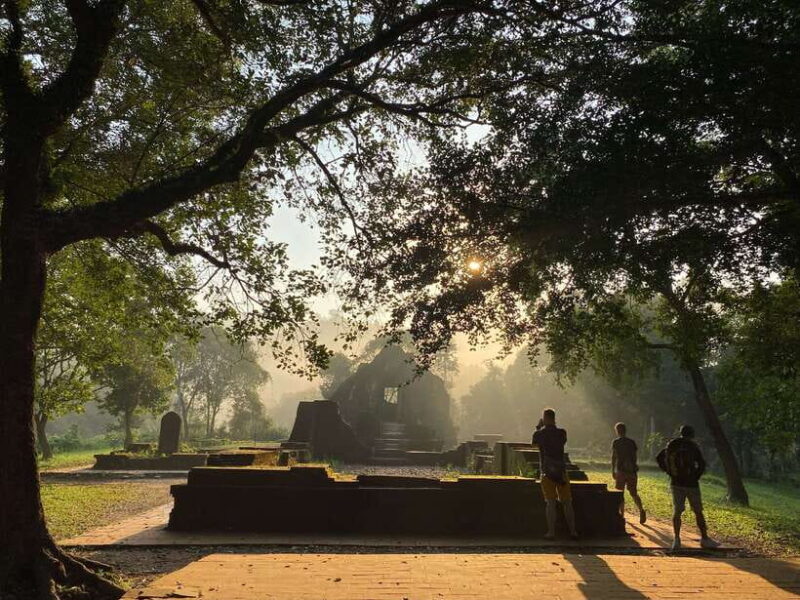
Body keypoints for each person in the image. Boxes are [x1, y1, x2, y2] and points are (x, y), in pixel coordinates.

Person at [656, 425, 720, 551]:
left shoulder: (672, 444)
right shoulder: (693, 446)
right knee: (698, 511)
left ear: (681, 433)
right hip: (691, 484)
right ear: (692, 435)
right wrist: (696, 476)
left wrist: (668, 471)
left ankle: (677, 539)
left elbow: (659, 458)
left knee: (677, 511)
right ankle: (705, 539)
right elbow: (701, 463)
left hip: (676, 483)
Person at [532, 408, 579, 540]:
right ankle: (573, 531)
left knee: (550, 503)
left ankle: (551, 532)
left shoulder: (540, 433)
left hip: (546, 472)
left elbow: (534, 444)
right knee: (567, 502)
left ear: (545, 418)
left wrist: (538, 428)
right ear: (554, 418)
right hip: (561, 472)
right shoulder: (562, 433)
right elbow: (561, 442)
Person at [611, 422, 646, 524]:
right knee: (633, 492)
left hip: (621, 470)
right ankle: (641, 509)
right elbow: (634, 457)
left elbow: (614, 457)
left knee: (619, 493)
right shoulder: (632, 442)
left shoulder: (616, 442)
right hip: (631, 471)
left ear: (617, 431)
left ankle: (621, 515)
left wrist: (613, 470)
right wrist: (634, 466)